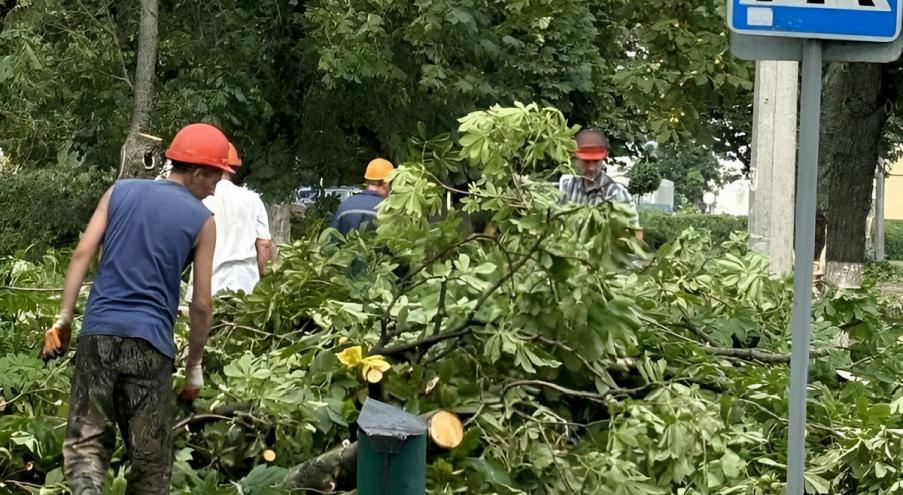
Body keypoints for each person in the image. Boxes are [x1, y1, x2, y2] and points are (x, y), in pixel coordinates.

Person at [41, 123, 228, 495]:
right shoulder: (202, 222)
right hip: (151, 345)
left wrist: (63, 319)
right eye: (214, 180)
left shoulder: (119, 191)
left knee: (85, 445)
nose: (213, 189)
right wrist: (194, 368)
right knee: (149, 460)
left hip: (99, 335)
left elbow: (81, 254)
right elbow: (201, 304)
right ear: (195, 172)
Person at [199, 143, 273, 295]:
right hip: (246, 285)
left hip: (207, 285)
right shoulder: (252, 199)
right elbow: (264, 245)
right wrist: (265, 278)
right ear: (233, 168)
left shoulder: (201, 199)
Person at [559, 128, 641, 229]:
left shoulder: (617, 193)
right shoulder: (566, 186)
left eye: (596, 161)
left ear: (604, 158)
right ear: (576, 158)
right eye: (586, 161)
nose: (591, 167)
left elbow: (634, 232)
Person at [330, 158, 395, 235]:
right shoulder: (389, 210)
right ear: (387, 184)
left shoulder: (346, 204)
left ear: (367, 181)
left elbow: (332, 238)